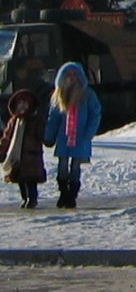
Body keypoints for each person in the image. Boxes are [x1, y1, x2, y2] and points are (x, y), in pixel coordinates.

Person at [43, 62, 99, 210]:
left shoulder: (87, 94)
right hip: (63, 139)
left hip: (80, 139)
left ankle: (72, 196)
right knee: (62, 166)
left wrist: (89, 133)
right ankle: (63, 193)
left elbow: (95, 114)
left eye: (75, 75)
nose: (72, 78)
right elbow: (53, 118)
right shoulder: (59, 95)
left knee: (75, 167)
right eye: (69, 75)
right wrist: (49, 136)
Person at [1, 88, 46, 209]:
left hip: (31, 156)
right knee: (20, 179)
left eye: (25, 104)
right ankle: (25, 198)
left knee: (31, 180)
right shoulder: (13, 121)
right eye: (20, 104)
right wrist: (2, 150)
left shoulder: (34, 121)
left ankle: (33, 199)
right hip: (17, 156)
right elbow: (7, 137)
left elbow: (40, 135)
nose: (22, 107)